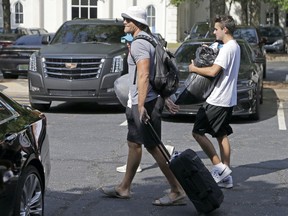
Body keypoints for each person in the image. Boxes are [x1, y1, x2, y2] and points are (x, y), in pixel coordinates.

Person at [99, 6, 186, 206]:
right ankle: (124, 188)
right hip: (143, 100)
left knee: (154, 147)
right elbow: (159, 72)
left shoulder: (139, 43)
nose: (124, 23)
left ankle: (177, 190)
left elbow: (145, 74)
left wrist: (140, 105)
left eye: (127, 20)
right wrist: (164, 98)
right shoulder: (151, 39)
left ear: (137, 22)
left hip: (145, 103)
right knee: (134, 143)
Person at [188, 15, 240, 189]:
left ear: (225, 29)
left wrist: (194, 68)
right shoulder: (234, 46)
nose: (214, 31)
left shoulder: (227, 49)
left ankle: (219, 168)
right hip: (228, 99)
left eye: (216, 29)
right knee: (221, 135)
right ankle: (226, 175)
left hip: (217, 99)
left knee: (197, 132)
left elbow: (213, 71)